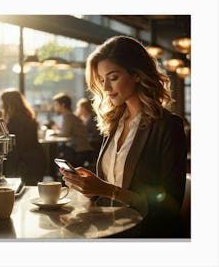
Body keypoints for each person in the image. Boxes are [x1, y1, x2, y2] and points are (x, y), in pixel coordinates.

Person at [60, 36, 187, 238]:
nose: (106, 89)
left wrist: (109, 191)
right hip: (109, 228)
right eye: (102, 80)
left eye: (113, 77)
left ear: (136, 74)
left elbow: (170, 206)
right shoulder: (114, 122)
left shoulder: (168, 126)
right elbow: (110, 183)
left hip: (146, 235)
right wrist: (92, 187)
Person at [0, 89, 47, 185]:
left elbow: (15, 143)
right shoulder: (28, 115)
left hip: (24, 162)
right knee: (32, 191)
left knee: (21, 191)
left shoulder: (15, 120)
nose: (1, 106)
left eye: (3, 103)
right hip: (36, 158)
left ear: (9, 103)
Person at [52, 92, 93, 167]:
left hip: (79, 150)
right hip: (81, 149)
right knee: (60, 150)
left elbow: (65, 133)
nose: (55, 107)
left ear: (63, 105)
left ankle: (58, 175)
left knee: (57, 153)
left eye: (56, 105)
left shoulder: (68, 116)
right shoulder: (70, 115)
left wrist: (53, 134)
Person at [75, 97, 103, 162]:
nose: (77, 110)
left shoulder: (92, 120)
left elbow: (94, 135)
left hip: (94, 145)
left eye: (78, 107)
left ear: (83, 108)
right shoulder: (84, 119)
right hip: (89, 145)